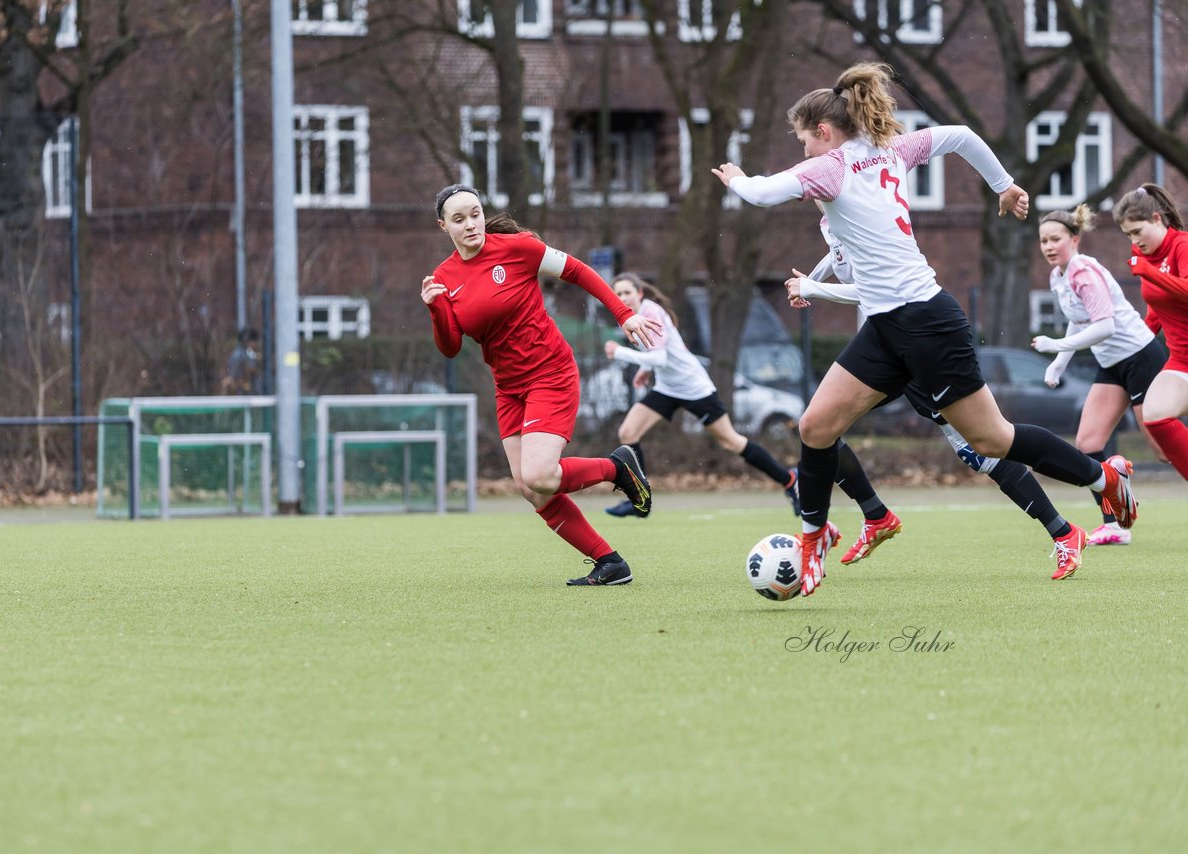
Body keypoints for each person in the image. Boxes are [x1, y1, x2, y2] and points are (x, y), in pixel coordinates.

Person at [712, 61, 1135, 596]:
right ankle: (813, 535)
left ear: (823, 132)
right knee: (816, 427)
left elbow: (761, 194)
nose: (803, 154)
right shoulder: (891, 149)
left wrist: (737, 178)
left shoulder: (834, 165)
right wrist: (1004, 186)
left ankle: (1104, 478)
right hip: (888, 326)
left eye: (803, 141)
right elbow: (960, 135)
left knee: (992, 438)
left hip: (927, 320)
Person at [788, 214, 1092, 579]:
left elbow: (868, 289)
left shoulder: (859, 206)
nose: (805, 157)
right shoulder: (831, 209)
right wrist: (812, 278)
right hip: (882, 346)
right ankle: (875, 516)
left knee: (983, 448)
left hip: (912, 340)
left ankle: (1070, 523)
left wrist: (813, 289)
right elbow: (838, 255)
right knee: (821, 427)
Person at [423, 184, 662, 586]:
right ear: (443, 226)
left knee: (540, 475)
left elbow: (579, 271)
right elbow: (449, 346)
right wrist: (435, 308)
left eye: (475, 213)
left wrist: (623, 315)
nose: (470, 224)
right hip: (508, 387)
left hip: (549, 372)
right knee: (531, 489)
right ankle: (610, 562)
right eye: (459, 219)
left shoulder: (517, 248)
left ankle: (617, 468)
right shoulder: (445, 277)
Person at [600, 272, 801, 518]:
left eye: (627, 292)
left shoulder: (651, 312)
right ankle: (639, 499)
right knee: (628, 433)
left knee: (731, 441)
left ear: (639, 293)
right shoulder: (631, 317)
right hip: (667, 388)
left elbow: (660, 357)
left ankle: (790, 480)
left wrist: (620, 353)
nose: (622, 297)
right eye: (617, 294)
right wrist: (645, 369)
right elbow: (662, 353)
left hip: (694, 387)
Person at [1029, 204, 1170, 546]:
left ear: (1074, 239)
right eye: (1044, 240)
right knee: (1088, 444)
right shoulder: (1057, 276)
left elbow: (1104, 325)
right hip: (1112, 364)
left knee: (1165, 452)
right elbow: (1079, 319)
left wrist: (1056, 344)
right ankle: (1115, 525)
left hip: (1141, 357)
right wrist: (1058, 363)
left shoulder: (1083, 271)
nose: (1049, 246)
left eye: (1056, 239)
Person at [1113, 183, 1188, 480]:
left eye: (1137, 231)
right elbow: (1157, 310)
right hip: (1181, 360)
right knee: (1155, 417)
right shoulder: (1148, 258)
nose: (1134, 240)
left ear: (1156, 219)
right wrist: (1137, 339)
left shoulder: (1181, 244)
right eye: (1128, 235)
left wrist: (1148, 272)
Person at [223, 328, 261, 395]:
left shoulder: (248, 353)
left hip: (247, 392)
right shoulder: (238, 355)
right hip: (240, 392)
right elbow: (232, 377)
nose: (255, 344)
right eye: (253, 341)